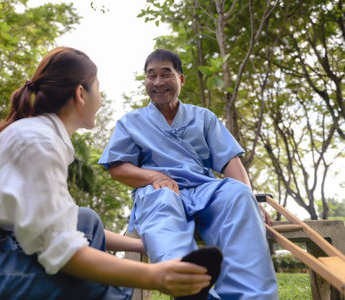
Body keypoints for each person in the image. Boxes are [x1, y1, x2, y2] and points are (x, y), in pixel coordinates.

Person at [0, 47, 220, 300]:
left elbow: (60, 225)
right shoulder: (38, 141)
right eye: (99, 89)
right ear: (80, 94)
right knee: (103, 286)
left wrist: (142, 245)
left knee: (86, 222)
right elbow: (63, 252)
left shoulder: (43, 135)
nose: (102, 98)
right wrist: (157, 276)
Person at [99, 49, 279, 299]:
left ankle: (250, 295)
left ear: (181, 79)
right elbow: (117, 167)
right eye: (151, 76)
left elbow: (229, 160)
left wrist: (251, 200)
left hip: (205, 189)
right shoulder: (131, 122)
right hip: (160, 190)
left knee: (237, 193)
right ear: (145, 81)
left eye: (166, 74)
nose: (158, 82)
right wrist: (153, 177)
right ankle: (188, 282)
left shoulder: (203, 118)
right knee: (161, 200)